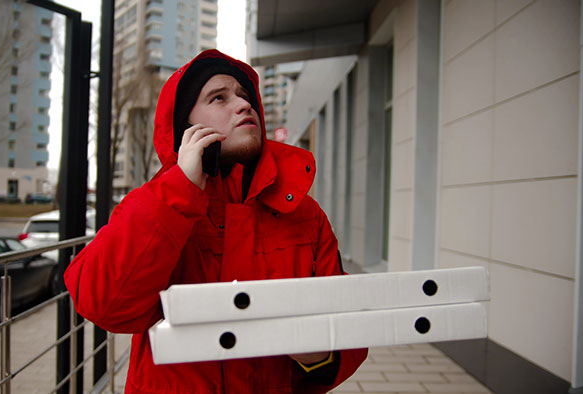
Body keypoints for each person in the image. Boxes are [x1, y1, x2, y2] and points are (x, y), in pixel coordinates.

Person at [64, 49, 368, 394]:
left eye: (245, 96)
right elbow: (104, 305)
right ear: (186, 128)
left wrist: (319, 354)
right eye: (218, 97)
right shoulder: (155, 205)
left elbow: (351, 329)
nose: (243, 105)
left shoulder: (305, 214)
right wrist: (179, 190)